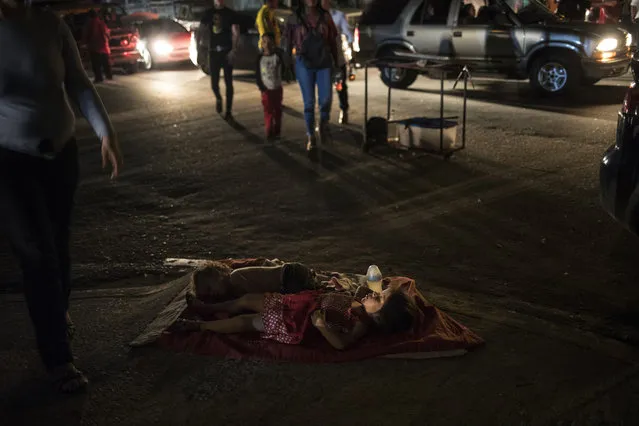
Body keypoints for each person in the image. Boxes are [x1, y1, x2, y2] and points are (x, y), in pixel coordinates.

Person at [0, 0, 121, 393]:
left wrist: (106, 132)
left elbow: (78, 82)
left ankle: (57, 310)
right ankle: (58, 359)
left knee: (58, 245)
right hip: (10, 160)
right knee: (37, 254)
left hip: (60, 154)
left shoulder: (50, 24)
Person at [176, 285, 417, 350]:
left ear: (381, 318)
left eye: (380, 298)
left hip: (293, 321)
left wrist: (322, 326)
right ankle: (208, 307)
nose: (375, 293)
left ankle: (199, 325)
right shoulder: (361, 303)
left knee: (246, 322)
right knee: (247, 299)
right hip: (295, 304)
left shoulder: (362, 324)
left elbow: (342, 345)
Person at [286, 0, 339, 160]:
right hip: (304, 63)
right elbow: (287, 42)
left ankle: (323, 124)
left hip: (324, 62)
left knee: (326, 99)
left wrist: (338, 63)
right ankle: (311, 137)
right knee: (308, 103)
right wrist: (286, 64)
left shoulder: (326, 17)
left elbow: (333, 40)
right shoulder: (294, 18)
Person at [198, 0, 241, 120]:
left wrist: (234, 50)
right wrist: (199, 48)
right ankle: (218, 98)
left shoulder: (231, 14)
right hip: (213, 52)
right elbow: (200, 30)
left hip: (226, 51)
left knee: (228, 82)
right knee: (214, 83)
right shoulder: (208, 13)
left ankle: (228, 111)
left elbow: (235, 32)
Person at [190, 261, 318, 301]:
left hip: (290, 275)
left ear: (217, 274)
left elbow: (258, 296)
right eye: (208, 295)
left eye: (209, 288)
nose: (212, 293)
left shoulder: (235, 277)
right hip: (291, 276)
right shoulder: (234, 284)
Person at [321, 0, 352, 125]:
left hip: (337, 60)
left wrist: (350, 47)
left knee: (340, 87)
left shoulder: (338, 16)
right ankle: (324, 118)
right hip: (322, 61)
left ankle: (344, 110)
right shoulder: (316, 17)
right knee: (324, 90)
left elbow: (348, 33)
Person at [256, 33, 287, 142]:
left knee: (277, 110)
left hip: (277, 88)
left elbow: (283, 68)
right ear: (262, 44)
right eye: (264, 42)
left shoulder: (277, 56)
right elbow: (257, 75)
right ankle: (269, 131)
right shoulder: (260, 58)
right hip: (266, 90)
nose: (267, 44)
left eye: (269, 42)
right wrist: (262, 87)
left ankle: (277, 131)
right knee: (268, 110)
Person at [82, 8, 112, 83]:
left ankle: (99, 78)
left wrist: (84, 43)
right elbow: (107, 33)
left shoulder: (89, 24)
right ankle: (109, 76)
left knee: (96, 64)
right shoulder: (101, 23)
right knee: (106, 62)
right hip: (104, 46)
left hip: (94, 47)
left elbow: (86, 35)